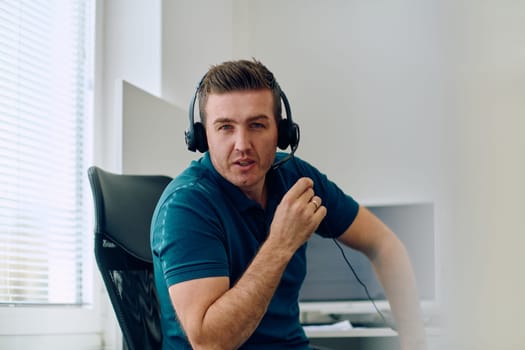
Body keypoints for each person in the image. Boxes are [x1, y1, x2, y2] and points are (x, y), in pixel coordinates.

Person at [151, 59, 427, 350]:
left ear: (282, 133)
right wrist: (281, 243)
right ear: (202, 136)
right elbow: (210, 343)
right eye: (225, 128)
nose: (242, 143)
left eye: (257, 125)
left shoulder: (294, 178)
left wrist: (414, 341)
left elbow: (384, 244)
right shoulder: (186, 206)